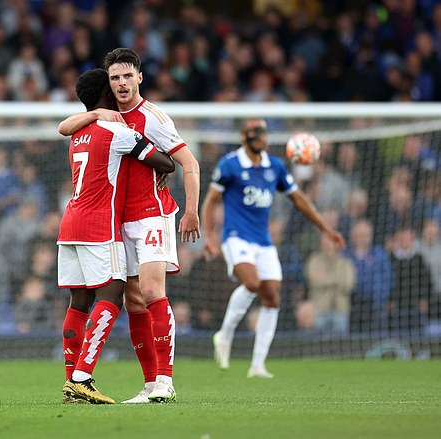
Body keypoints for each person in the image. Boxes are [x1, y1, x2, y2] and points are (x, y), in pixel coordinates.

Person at [58, 48, 201, 404]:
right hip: (117, 221)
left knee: (152, 292)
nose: (122, 83)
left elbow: (186, 162)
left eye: (127, 76)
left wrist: (192, 211)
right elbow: (64, 126)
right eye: (115, 78)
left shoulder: (152, 117)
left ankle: (166, 381)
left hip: (153, 213)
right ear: (108, 83)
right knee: (134, 301)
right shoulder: (103, 120)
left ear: (139, 77)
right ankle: (150, 384)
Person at [201, 119, 345, 378]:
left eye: (264, 133)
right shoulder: (230, 165)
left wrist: (326, 229)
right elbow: (211, 201)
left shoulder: (275, 166)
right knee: (253, 283)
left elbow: (299, 200)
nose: (262, 138)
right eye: (257, 133)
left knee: (272, 297)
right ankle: (225, 334)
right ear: (245, 137)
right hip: (236, 237)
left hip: (263, 241)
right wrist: (209, 236)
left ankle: (257, 365)